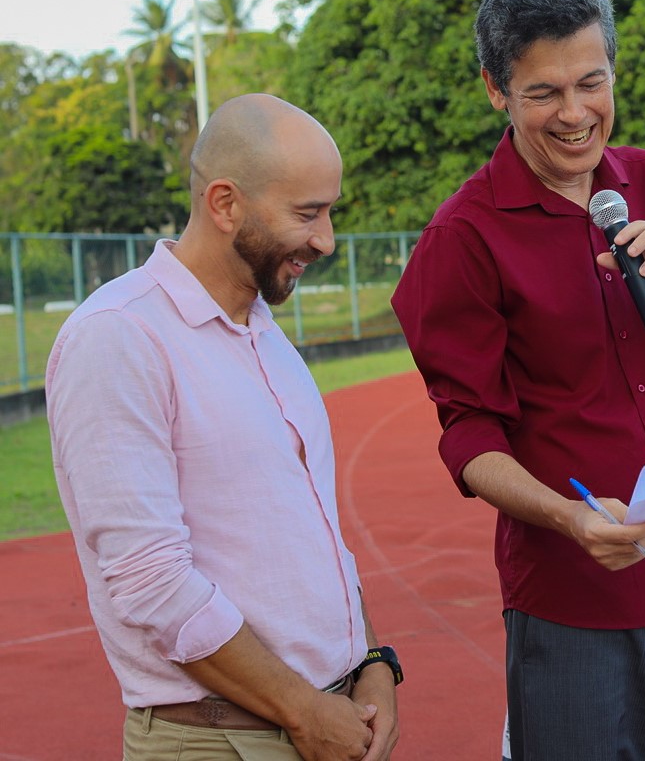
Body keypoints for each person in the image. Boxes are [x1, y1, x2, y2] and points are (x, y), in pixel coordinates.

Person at [390, 0, 645, 760]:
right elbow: (469, 435)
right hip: (574, 597)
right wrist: (569, 519)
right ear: (495, 89)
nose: (574, 114)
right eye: (542, 93)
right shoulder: (464, 238)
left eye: (590, 83)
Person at [46, 93, 401, 760]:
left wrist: (371, 658)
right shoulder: (118, 337)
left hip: (321, 717)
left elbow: (312, 531)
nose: (325, 240)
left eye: (330, 211)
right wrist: (302, 711)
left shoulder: (262, 332)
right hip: (224, 739)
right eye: (307, 213)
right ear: (225, 203)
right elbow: (151, 581)